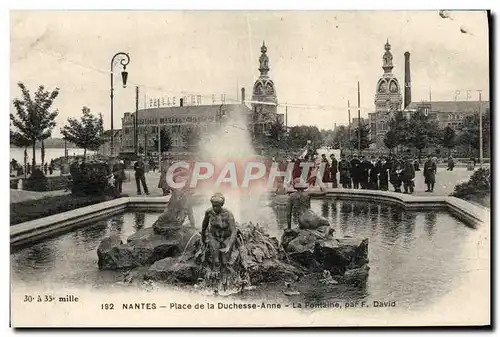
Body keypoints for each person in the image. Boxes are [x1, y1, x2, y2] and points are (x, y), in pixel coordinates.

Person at [201, 193, 238, 272]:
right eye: (213, 205)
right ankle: (214, 281)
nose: (215, 208)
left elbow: (234, 231)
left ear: (221, 205)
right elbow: (204, 225)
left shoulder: (228, 214)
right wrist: (203, 238)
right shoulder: (209, 212)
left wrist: (228, 246)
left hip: (226, 237)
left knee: (225, 262)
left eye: (217, 206)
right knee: (216, 262)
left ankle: (229, 280)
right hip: (214, 237)